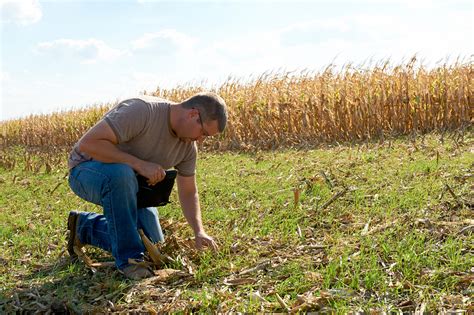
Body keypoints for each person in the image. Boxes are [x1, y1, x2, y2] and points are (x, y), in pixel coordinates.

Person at [66, 92, 227, 280]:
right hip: (86, 170)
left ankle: (85, 227)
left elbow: (189, 192)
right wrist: (139, 165)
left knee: (153, 246)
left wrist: (199, 231)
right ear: (193, 114)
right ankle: (130, 260)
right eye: (204, 133)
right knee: (121, 174)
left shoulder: (188, 148)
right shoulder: (142, 110)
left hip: (134, 187)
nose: (201, 140)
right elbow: (88, 144)